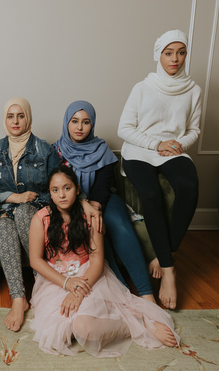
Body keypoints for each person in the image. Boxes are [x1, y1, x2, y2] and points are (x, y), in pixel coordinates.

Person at [28, 166, 179, 357]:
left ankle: (139, 322)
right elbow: (35, 260)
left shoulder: (90, 217)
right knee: (61, 334)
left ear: (77, 189)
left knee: (84, 328)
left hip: (88, 275)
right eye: (55, 190)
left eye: (67, 188)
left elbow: (97, 261)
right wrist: (67, 283)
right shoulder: (41, 218)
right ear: (49, 192)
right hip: (57, 279)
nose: (62, 195)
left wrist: (78, 292)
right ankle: (131, 322)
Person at [117, 29, 201, 309]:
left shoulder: (194, 90)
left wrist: (177, 145)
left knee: (189, 187)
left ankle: (167, 255)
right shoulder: (142, 88)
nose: (175, 59)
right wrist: (156, 144)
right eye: (168, 53)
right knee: (151, 196)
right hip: (140, 150)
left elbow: (193, 129)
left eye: (181, 52)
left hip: (172, 150)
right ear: (158, 55)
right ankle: (169, 271)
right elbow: (124, 129)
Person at [54, 100, 155, 303]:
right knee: (96, 228)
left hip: (103, 200)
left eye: (86, 122)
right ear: (67, 123)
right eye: (74, 121)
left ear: (92, 125)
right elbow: (59, 188)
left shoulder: (102, 149)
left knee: (119, 225)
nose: (79, 127)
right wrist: (85, 206)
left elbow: (102, 188)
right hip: (74, 205)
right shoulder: (55, 152)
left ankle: (147, 294)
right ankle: (123, 294)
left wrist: (95, 208)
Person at [0, 97, 60, 331]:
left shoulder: (45, 149)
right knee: (4, 224)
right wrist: (13, 198)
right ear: (4, 119)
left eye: (21, 115)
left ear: (28, 118)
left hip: (38, 212)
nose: (15, 121)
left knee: (22, 213)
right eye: (10, 116)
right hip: (7, 211)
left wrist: (29, 201)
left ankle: (43, 280)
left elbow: (55, 189)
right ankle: (19, 298)